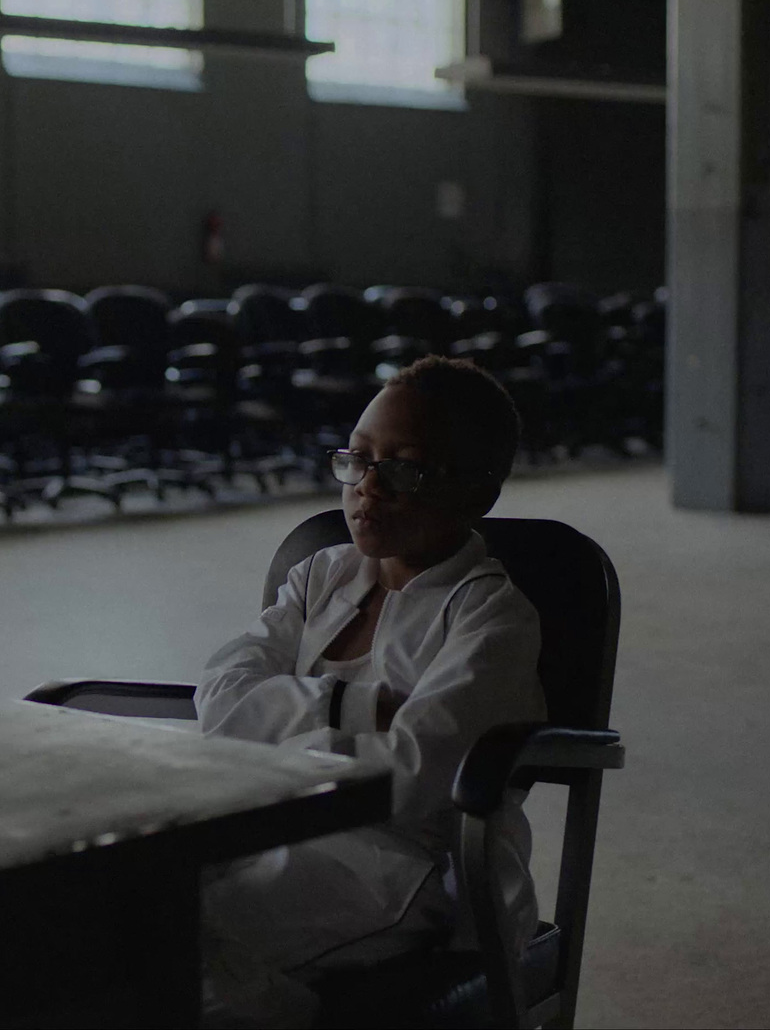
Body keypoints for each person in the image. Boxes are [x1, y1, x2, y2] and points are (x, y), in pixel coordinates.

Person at [196, 356, 546, 1027]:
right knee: (106, 914)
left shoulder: (489, 617)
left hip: (392, 868)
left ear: (477, 494)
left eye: (404, 468)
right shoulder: (320, 574)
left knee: (175, 964)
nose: (367, 488)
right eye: (357, 460)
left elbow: (413, 776)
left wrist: (276, 732)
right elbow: (220, 701)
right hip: (261, 826)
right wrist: (350, 706)